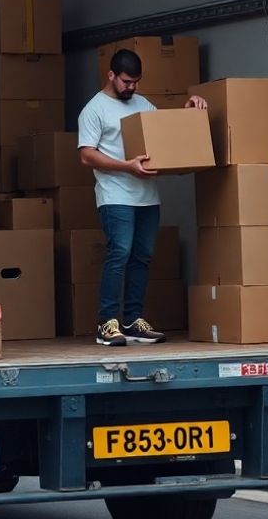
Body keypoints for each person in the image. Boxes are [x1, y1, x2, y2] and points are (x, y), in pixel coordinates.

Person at [77, 48, 207, 347]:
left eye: (135, 81)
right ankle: (106, 323)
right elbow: (86, 156)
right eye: (126, 81)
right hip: (115, 195)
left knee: (142, 257)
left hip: (147, 196)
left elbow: (163, 133)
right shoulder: (94, 109)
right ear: (110, 75)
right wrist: (127, 166)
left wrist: (189, 109)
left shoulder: (142, 103)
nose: (131, 87)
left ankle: (132, 320)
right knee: (119, 254)